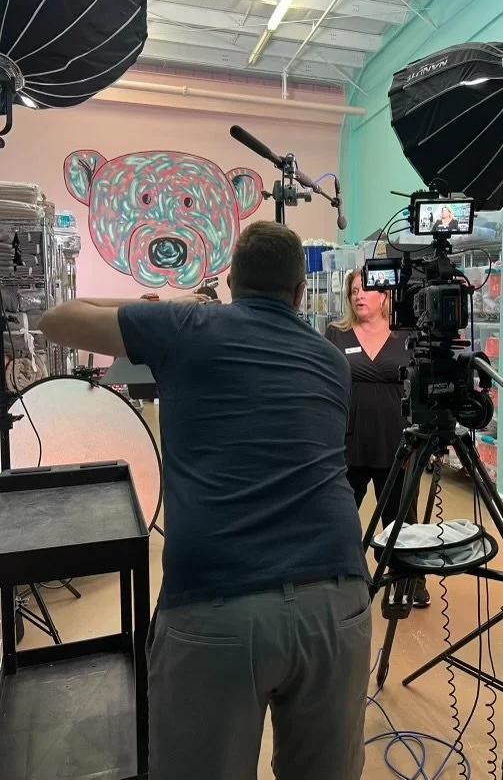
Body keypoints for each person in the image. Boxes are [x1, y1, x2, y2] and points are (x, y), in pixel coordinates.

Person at [40, 221, 372, 780]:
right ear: (299, 294)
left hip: (219, 601)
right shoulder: (332, 360)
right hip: (336, 600)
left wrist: (166, 307)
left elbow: (57, 319)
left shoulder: (186, 325)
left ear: (231, 282)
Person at [325, 270, 430, 608]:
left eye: (366, 289)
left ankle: (409, 580)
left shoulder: (406, 335)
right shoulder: (336, 334)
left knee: (401, 518)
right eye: (353, 290)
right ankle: (344, 579)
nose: (358, 296)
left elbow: (422, 388)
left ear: (385, 296)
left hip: (397, 442)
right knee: (340, 515)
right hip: (348, 442)